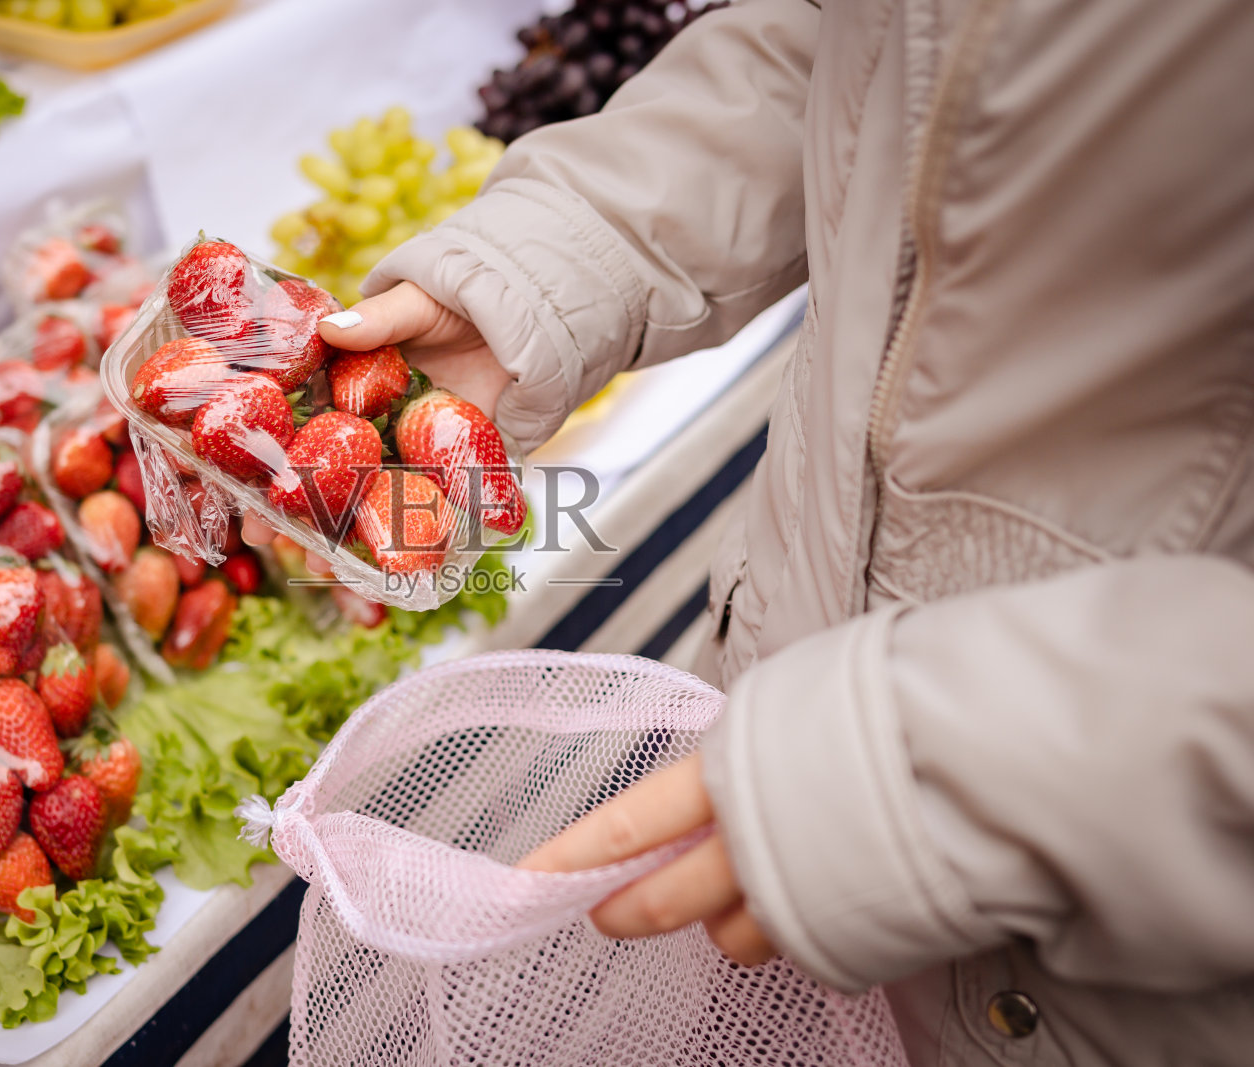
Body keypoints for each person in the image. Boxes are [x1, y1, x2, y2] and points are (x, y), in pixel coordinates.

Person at [248, 1, 1254, 1063]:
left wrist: (952, 766)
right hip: (786, 727)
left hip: (1109, 949)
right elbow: (837, 48)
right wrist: (542, 273)